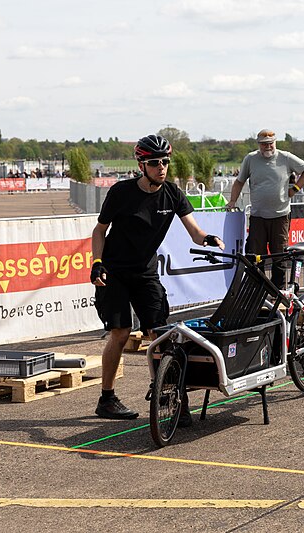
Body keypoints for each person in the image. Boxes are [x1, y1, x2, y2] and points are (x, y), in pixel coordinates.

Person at [91, 134, 225, 421]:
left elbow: (195, 232)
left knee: (160, 334)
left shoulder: (172, 194)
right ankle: (107, 398)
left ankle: (173, 394)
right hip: (114, 272)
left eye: (165, 161)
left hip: (145, 273)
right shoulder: (121, 193)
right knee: (121, 333)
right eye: (154, 162)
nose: (161, 167)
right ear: (141, 165)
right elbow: (99, 231)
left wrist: (209, 238)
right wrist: (97, 263)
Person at [225, 128, 304, 288]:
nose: (268, 147)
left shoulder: (285, 157)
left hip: (280, 216)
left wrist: (295, 189)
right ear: (259, 144)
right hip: (258, 216)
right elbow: (239, 181)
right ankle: (257, 289)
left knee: (279, 256)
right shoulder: (250, 159)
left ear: (275, 143)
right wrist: (232, 200)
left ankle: (278, 290)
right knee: (255, 256)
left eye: (270, 144)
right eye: (264, 144)